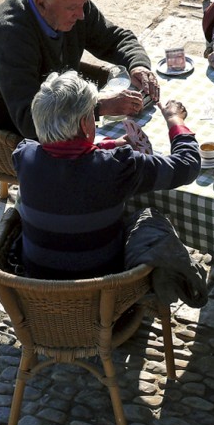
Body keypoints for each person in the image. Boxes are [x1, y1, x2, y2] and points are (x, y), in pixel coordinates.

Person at [12, 70, 200, 280]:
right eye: (92, 116)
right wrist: (175, 120)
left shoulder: (23, 155)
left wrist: (109, 145)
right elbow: (187, 166)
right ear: (85, 125)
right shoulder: (118, 166)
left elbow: (65, 159)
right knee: (151, 219)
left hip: (34, 283)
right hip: (103, 286)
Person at [0, 0, 161, 139]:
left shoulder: (68, 2)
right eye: (72, 8)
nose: (82, 15)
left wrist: (138, 65)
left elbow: (115, 39)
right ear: (41, 3)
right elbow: (31, 122)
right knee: (115, 165)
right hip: (7, 134)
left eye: (83, 4)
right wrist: (98, 107)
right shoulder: (10, 38)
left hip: (59, 110)